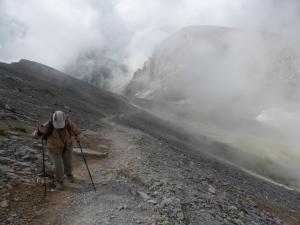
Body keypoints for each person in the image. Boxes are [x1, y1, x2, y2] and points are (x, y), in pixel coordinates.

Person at [32, 111, 84, 190]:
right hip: (54, 149)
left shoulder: (68, 123)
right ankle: (59, 181)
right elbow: (35, 135)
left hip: (67, 147)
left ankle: (69, 175)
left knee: (68, 164)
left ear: (64, 119)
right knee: (58, 166)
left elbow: (78, 132)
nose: (59, 127)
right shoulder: (48, 125)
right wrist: (37, 133)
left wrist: (79, 136)